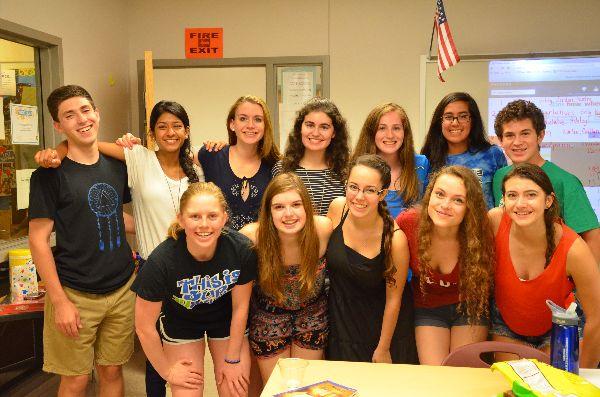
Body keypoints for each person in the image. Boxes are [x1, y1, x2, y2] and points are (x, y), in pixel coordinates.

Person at [35, 100, 203, 397]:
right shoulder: (131, 160)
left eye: (177, 126)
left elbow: (120, 212)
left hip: (141, 282)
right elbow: (39, 240)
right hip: (98, 285)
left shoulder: (191, 172)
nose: (170, 132)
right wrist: (56, 152)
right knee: (82, 376)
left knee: (122, 367)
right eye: (162, 126)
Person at [28, 85, 136, 397]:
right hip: (75, 292)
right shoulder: (49, 175)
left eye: (86, 110)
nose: (81, 119)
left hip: (122, 288)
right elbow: (38, 240)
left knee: (113, 371)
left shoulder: (117, 165)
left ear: (97, 113)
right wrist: (60, 301)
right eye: (69, 115)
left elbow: (116, 215)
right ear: (58, 126)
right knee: (75, 379)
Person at [133, 182, 257, 397]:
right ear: (181, 219)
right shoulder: (161, 262)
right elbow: (144, 328)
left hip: (226, 318)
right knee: (186, 391)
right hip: (181, 321)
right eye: (195, 216)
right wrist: (167, 372)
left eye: (212, 216)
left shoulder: (241, 250)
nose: (204, 225)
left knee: (234, 389)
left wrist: (233, 359)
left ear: (224, 218)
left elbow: (240, 307)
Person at [488, 163, 600, 367]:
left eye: (531, 195)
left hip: (560, 329)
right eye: (512, 195)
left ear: (548, 200)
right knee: (511, 387)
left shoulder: (574, 249)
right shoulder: (494, 221)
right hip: (507, 323)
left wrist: (585, 375)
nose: (520, 204)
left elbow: (597, 318)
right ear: (503, 200)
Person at [396, 165, 494, 365]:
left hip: (470, 306)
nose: (445, 205)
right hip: (428, 307)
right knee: (436, 376)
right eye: (439, 194)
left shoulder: (482, 228)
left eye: (458, 200)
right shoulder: (408, 223)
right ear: (429, 195)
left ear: (470, 207)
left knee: (462, 374)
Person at [240, 173, 333, 382]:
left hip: (312, 316)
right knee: (277, 388)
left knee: (306, 387)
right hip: (267, 319)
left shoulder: (323, 229)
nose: (288, 214)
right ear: (268, 211)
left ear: (306, 207)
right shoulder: (251, 237)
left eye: (296, 204)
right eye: (279, 207)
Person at [326, 154, 417, 363]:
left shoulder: (395, 240)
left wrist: (383, 348)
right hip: (341, 326)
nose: (359, 197)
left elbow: (394, 300)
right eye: (353, 187)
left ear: (383, 194)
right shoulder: (338, 209)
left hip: (382, 333)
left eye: (369, 190)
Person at [492, 99, 600, 263]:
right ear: (501, 140)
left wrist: (581, 286)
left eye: (525, 133)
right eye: (509, 135)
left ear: (540, 135)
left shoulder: (565, 182)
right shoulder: (499, 177)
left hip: (552, 278)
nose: (517, 142)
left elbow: (592, 239)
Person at [197, 95, 280, 230]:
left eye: (258, 119)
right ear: (232, 124)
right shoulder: (211, 155)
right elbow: (179, 157)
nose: (250, 125)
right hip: (219, 247)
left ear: (266, 126)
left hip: (260, 248)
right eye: (243, 119)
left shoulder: (275, 164)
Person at [421, 92, 506, 209]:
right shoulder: (427, 160)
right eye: (448, 117)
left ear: (473, 120)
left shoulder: (492, 155)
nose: (455, 123)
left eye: (463, 116)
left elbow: (504, 203)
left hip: (485, 227)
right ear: (439, 122)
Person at [352, 102, 429, 218]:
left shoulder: (421, 164)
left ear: (405, 133)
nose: (390, 135)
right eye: (382, 128)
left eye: (396, 128)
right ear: (371, 133)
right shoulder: (357, 168)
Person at [275, 97, 350, 215]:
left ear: (334, 133)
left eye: (324, 127)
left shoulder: (346, 171)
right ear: (300, 128)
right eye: (310, 125)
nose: (315, 133)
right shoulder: (282, 169)